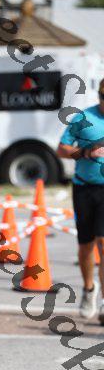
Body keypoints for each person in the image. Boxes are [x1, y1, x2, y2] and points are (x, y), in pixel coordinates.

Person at [57, 77, 104, 323]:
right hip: (84, 188)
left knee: (103, 243)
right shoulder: (84, 118)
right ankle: (88, 289)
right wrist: (85, 152)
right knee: (86, 245)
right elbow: (62, 149)